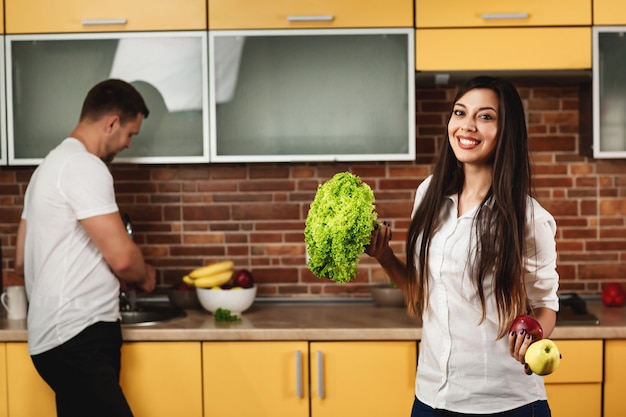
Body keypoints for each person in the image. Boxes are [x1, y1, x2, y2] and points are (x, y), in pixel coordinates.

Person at [366, 76, 559, 416]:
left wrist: (533, 338)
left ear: (506, 131)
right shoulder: (429, 195)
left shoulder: (529, 218)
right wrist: (383, 256)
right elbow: (420, 289)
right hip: (432, 398)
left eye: (485, 116)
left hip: (505, 402)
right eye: (460, 113)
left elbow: (545, 304)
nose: (467, 126)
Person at [14, 79, 157, 417]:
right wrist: (145, 274)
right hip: (79, 338)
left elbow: (21, 259)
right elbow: (123, 259)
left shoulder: (47, 168)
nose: (127, 144)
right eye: (130, 134)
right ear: (111, 122)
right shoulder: (84, 166)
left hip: (52, 340)